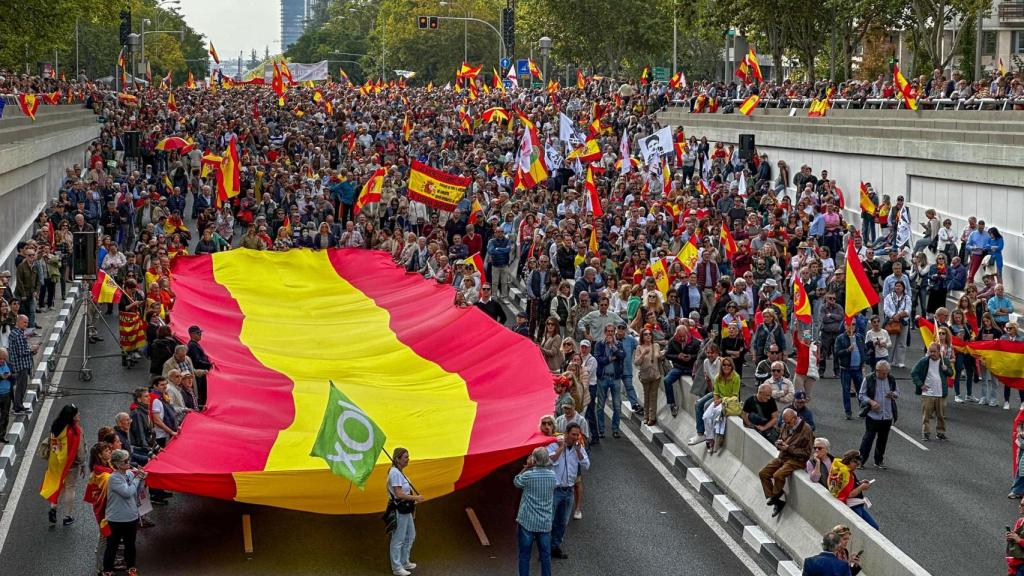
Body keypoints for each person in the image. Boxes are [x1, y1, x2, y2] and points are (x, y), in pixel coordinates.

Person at [758, 408, 815, 517]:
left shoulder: (806, 430)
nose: (786, 424)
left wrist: (788, 448)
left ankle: (775, 497)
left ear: (795, 418)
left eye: (788, 422)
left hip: (796, 460)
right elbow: (780, 437)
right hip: (783, 456)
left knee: (778, 475)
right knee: (763, 473)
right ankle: (777, 498)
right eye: (785, 422)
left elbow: (806, 453)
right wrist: (779, 443)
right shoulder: (785, 424)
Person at [548, 422, 590, 560]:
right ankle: (545, 548)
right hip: (555, 490)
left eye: (577, 435)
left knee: (562, 521)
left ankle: (555, 547)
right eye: (573, 434)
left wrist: (578, 451)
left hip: (569, 490)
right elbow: (549, 460)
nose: (575, 437)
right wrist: (561, 448)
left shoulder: (579, 448)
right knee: (550, 520)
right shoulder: (554, 444)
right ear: (566, 433)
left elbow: (586, 465)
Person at [41, 404, 87, 526]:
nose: (79, 415)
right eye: (77, 413)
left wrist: (59, 459)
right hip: (71, 464)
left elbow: (54, 446)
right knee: (69, 488)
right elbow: (80, 450)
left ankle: (53, 508)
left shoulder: (56, 427)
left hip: (56, 463)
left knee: (57, 484)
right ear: (72, 416)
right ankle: (67, 516)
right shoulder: (76, 430)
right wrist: (82, 463)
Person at [514, 446, 556, 576]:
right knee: (545, 555)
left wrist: (527, 466)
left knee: (524, 555)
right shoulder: (552, 476)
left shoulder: (528, 476)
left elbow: (516, 481)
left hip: (527, 520)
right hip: (544, 522)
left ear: (534, 459)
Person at [102, 449, 144, 576]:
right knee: (112, 546)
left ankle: (131, 567)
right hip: (116, 519)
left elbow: (137, 491)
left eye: (128, 459)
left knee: (130, 545)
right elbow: (127, 493)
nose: (129, 462)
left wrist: (141, 479)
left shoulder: (130, 474)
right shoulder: (114, 478)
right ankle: (107, 570)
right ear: (118, 464)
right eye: (126, 461)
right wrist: (138, 478)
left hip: (131, 517)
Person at [387, 447, 423, 576]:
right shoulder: (395, 473)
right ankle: (397, 567)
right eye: (405, 457)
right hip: (399, 509)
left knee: (410, 535)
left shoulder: (399, 472)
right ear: (397, 459)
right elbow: (398, 494)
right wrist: (416, 498)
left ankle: (404, 561)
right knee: (398, 539)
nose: (408, 459)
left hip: (406, 509)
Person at [858, 360, 899, 470]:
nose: (885, 375)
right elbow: (861, 395)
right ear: (877, 371)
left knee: (883, 439)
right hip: (873, 415)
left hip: (887, 415)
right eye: (882, 373)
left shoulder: (891, 379)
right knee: (868, 439)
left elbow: (897, 392)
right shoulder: (869, 379)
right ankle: (860, 461)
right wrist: (871, 402)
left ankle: (879, 461)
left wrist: (893, 394)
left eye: (886, 372)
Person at [828, 450, 879, 530]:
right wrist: (861, 487)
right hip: (853, 506)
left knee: (874, 528)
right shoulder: (844, 474)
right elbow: (849, 494)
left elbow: (850, 485)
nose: (857, 465)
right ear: (850, 461)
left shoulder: (845, 470)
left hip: (857, 505)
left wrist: (860, 483)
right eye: (856, 463)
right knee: (867, 529)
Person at [911, 343, 952, 441]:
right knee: (926, 415)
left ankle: (940, 433)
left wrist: (946, 370)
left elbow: (951, 373)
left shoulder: (944, 361)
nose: (932, 353)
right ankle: (926, 433)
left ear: (939, 352)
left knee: (940, 415)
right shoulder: (924, 361)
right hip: (927, 393)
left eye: (934, 352)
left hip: (941, 393)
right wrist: (920, 385)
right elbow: (914, 372)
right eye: (930, 351)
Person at [701, 357, 741, 452]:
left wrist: (722, 400)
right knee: (706, 416)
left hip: (729, 401)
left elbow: (735, 395)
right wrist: (715, 401)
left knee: (717, 415)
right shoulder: (718, 377)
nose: (726, 367)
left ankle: (716, 438)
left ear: (732, 366)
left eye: (728, 365)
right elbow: (716, 392)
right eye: (724, 365)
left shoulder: (736, 377)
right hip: (718, 400)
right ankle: (709, 438)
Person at [663, 325, 701, 416]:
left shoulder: (695, 342)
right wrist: (677, 356)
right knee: (667, 380)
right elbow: (667, 354)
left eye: (683, 336)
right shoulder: (673, 341)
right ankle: (671, 403)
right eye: (680, 337)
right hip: (678, 367)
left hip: (691, 368)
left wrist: (690, 357)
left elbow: (699, 356)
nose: (682, 338)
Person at [834, 321, 865, 420]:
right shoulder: (840, 338)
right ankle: (848, 411)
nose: (851, 327)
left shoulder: (859, 337)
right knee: (846, 391)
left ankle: (862, 409)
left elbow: (863, 350)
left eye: (854, 324)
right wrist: (847, 350)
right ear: (845, 325)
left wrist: (864, 359)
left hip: (858, 369)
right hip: (846, 369)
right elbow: (837, 353)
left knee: (861, 391)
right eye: (849, 324)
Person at [8, 314, 37, 415]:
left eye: (27, 322)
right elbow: (21, 352)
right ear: (19, 322)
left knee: (21, 386)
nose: (26, 324)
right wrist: (32, 349)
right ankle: (18, 407)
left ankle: (19, 406)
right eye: (24, 322)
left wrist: (32, 351)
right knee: (21, 386)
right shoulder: (18, 335)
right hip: (21, 365)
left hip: (19, 364)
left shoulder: (16, 333)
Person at [633, 328, 663, 426]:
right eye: (645, 334)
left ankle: (652, 417)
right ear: (642, 336)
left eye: (650, 334)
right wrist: (643, 354)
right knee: (646, 396)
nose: (648, 336)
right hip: (645, 375)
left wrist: (661, 355)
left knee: (653, 396)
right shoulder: (639, 347)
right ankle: (645, 416)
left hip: (655, 375)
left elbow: (658, 355)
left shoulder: (656, 345)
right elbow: (637, 362)